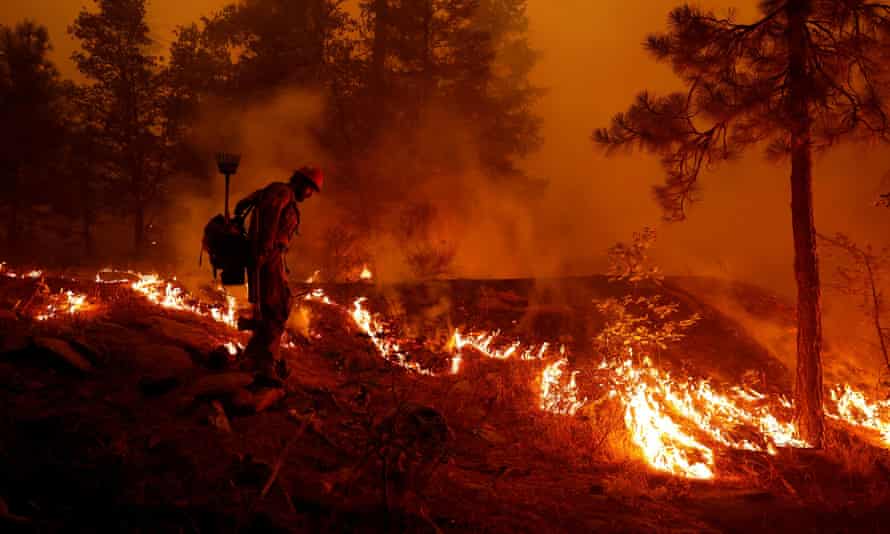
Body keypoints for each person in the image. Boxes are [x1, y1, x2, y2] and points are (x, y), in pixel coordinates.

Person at [233, 166, 323, 384]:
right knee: (277, 309)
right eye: (310, 189)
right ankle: (266, 365)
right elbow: (269, 223)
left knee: (274, 308)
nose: (309, 195)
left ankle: (252, 358)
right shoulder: (281, 192)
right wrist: (263, 253)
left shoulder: (279, 192)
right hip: (268, 256)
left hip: (271, 256)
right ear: (301, 182)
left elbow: (243, 205)